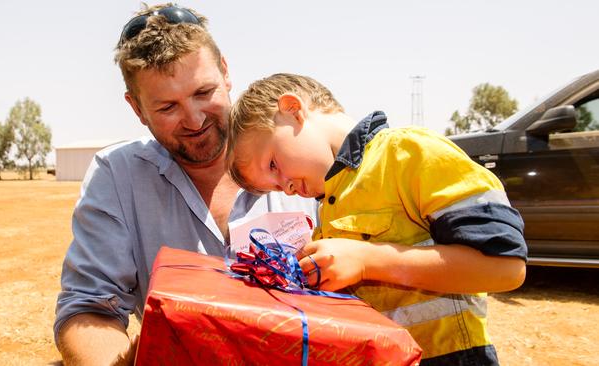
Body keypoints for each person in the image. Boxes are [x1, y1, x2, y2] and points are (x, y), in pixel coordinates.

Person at [53, 6, 316, 365]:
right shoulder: (117, 176)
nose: (194, 119)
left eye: (203, 92)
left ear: (225, 72)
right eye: (167, 108)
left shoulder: (302, 149)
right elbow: (88, 309)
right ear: (137, 109)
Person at [226, 73, 528, 365]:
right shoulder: (330, 203)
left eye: (274, 164)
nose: (287, 187)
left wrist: (366, 261)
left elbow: (505, 267)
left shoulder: (409, 153)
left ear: (293, 109)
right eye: (277, 186)